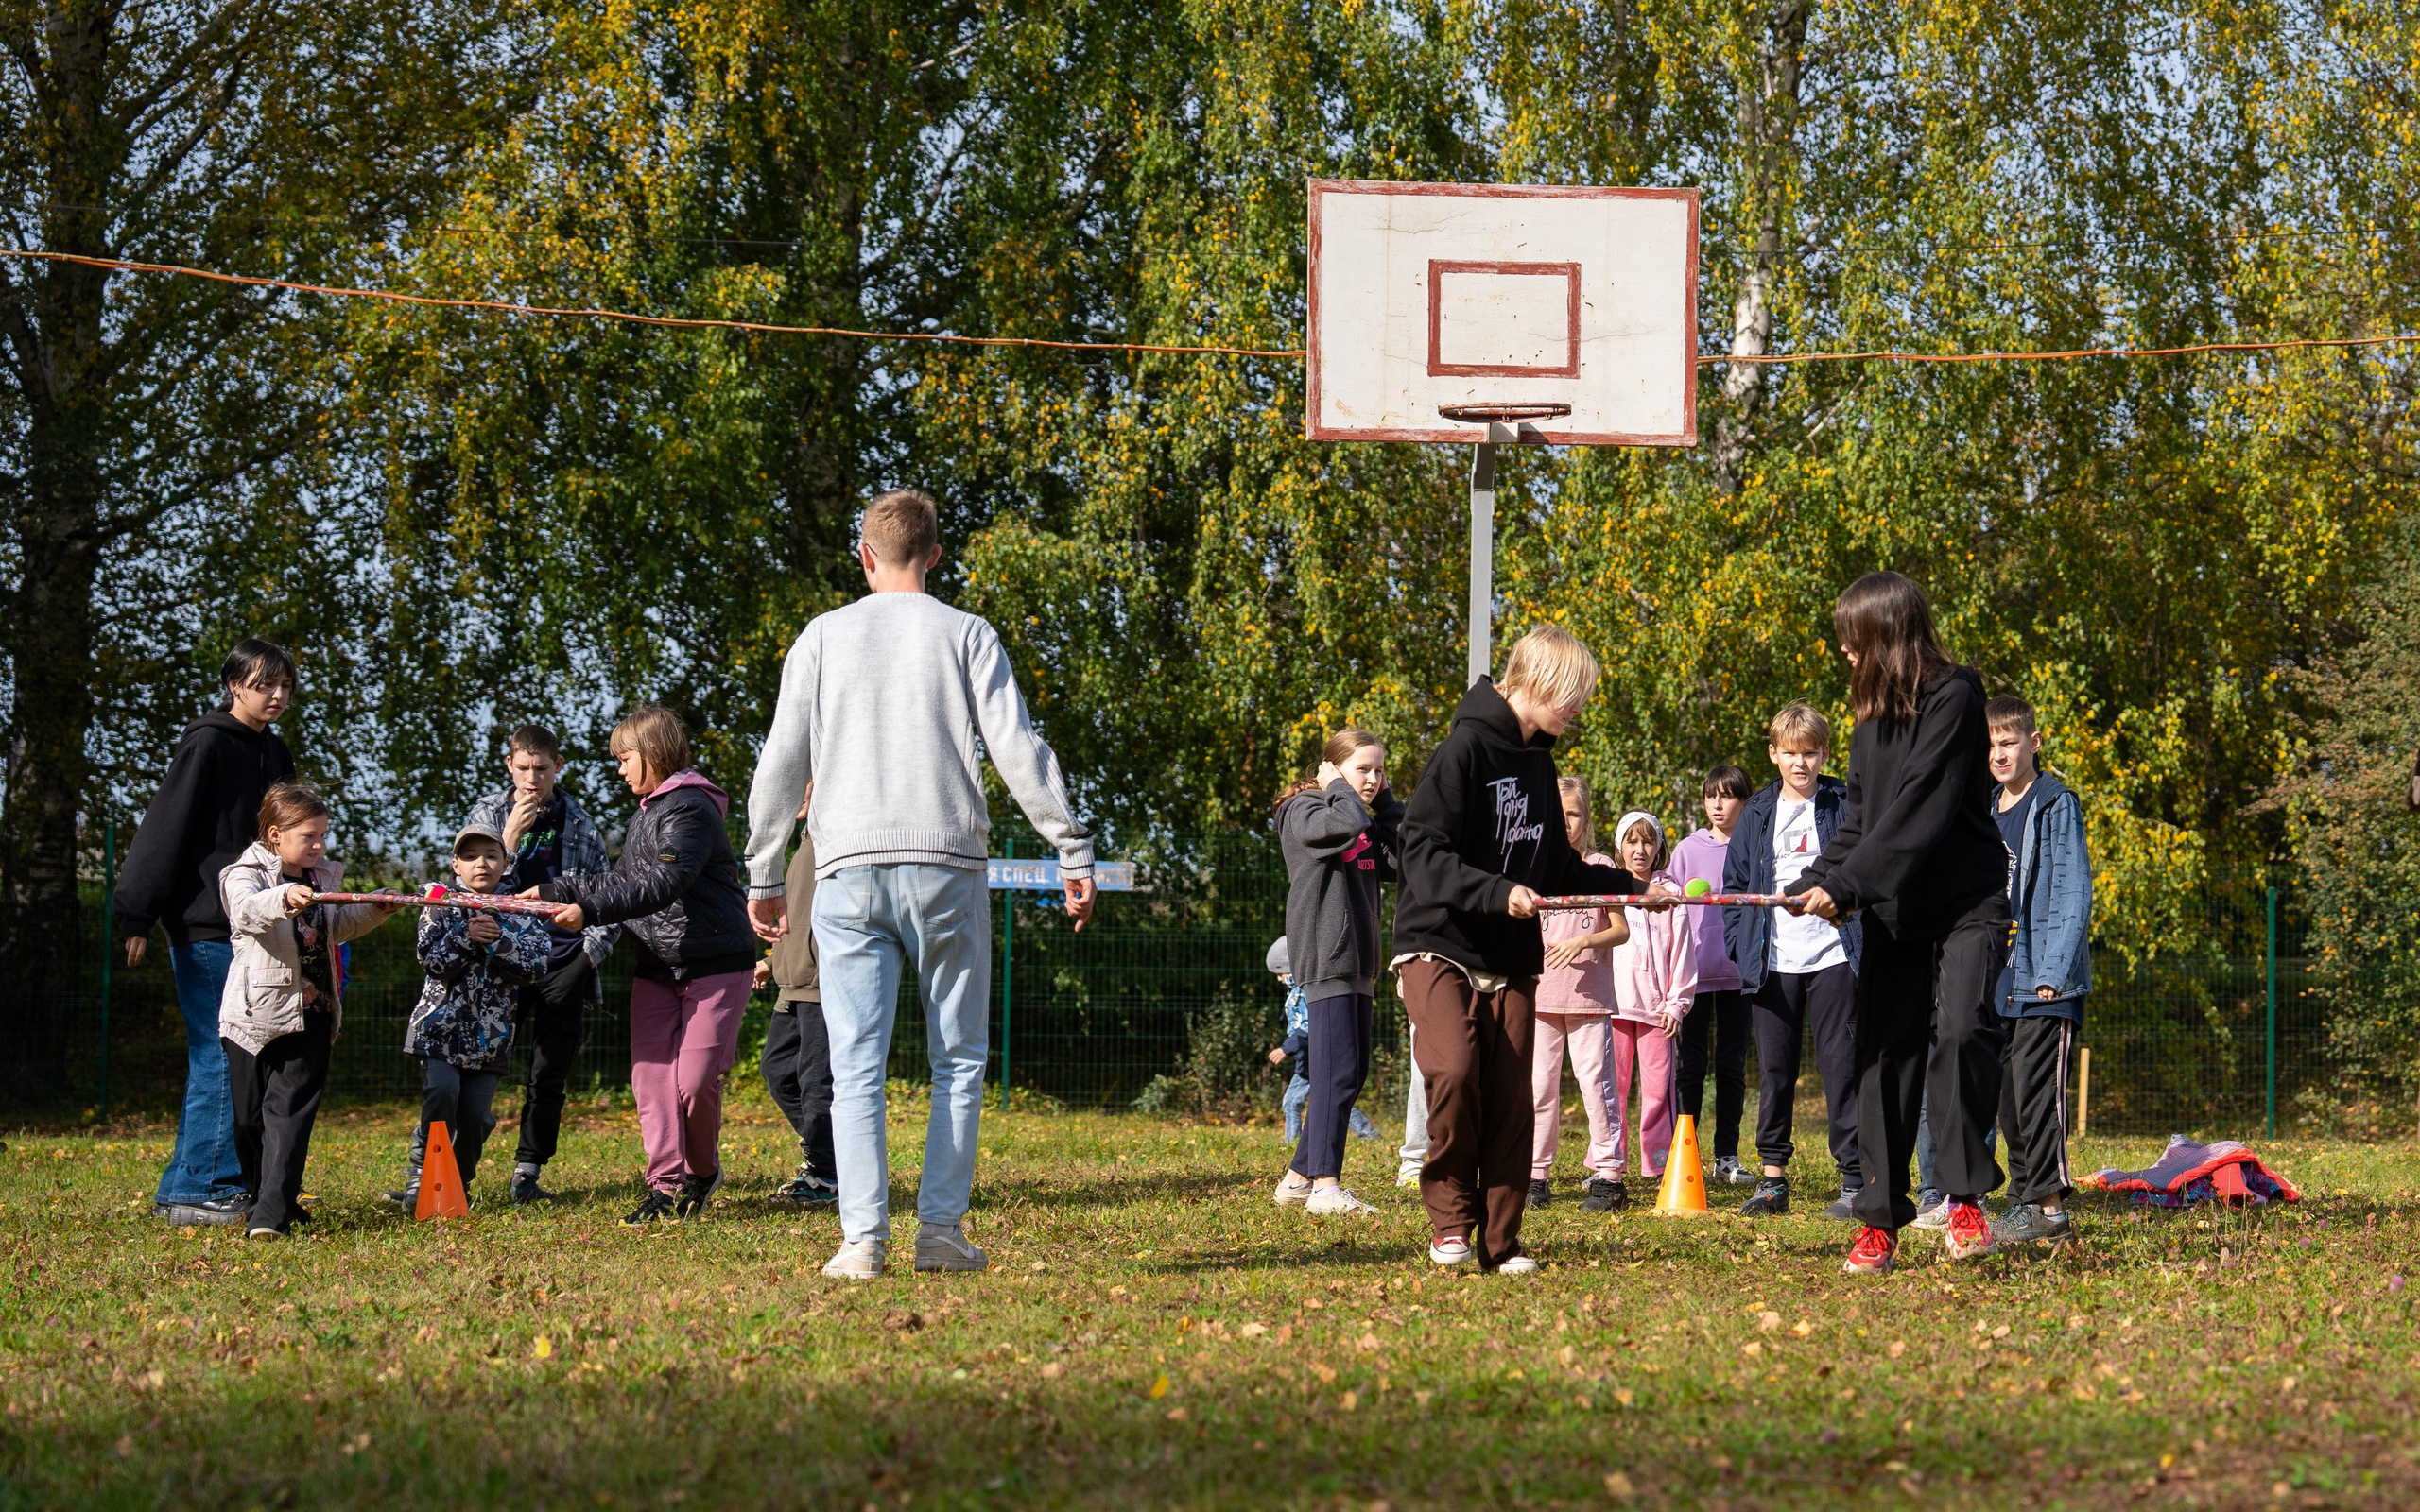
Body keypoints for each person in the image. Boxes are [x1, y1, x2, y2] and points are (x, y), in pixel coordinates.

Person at [742, 489, 1096, 1280]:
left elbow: (781, 761)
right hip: (945, 863)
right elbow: (1019, 750)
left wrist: (765, 872)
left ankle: (862, 1242)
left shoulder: (823, 637)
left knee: (858, 1063)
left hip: (846, 870)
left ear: (865, 556)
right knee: (959, 1060)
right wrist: (1070, 849)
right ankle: (938, 1233)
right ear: (936, 555)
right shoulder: (968, 633)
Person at [1392, 626, 1657, 1274]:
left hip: (1510, 955)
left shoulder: (1540, 766)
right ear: (1536, 682)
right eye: (1573, 696)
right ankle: (1451, 1222)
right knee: (1455, 1071)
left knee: (1512, 1096)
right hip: (1440, 945)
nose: (1578, 710)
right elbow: (1421, 855)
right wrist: (1497, 891)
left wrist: (1632, 888)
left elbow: (1558, 870)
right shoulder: (1462, 752)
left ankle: (1501, 1242)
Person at [1789, 572, 2013, 1276]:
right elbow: (1860, 823)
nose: (1848, 656)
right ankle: (1879, 1222)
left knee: (1962, 1031)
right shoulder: (1868, 723)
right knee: (1883, 1057)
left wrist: (1848, 885)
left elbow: (1924, 804)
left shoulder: (1957, 694)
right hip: (1895, 910)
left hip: (1965, 903)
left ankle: (1965, 1197)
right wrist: (1818, 881)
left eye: (1855, 643)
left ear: (1888, 634)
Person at [527, 706, 757, 1227]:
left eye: (625, 757)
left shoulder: (691, 808)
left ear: (653, 753)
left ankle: (702, 1172)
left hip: (715, 962)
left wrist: (589, 912)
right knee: (652, 1081)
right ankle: (666, 1186)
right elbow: (621, 881)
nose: (620, 769)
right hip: (656, 965)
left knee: (695, 1082)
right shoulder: (647, 813)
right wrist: (553, 891)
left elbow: (663, 884)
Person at [113, 639, 300, 1227]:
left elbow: (285, 836)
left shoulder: (274, 752)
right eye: (263, 684)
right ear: (234, 687)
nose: (275, 695)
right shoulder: (209, 743)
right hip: (205, 926)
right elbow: (167, 824)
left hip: (258, 919)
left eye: (284, 686)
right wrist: (137, 913)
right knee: (222, 1053)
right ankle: (201, 1188)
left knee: (240, 1055)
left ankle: (189, 1184)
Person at [217, 783, 399, 1237]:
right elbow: (246, 912)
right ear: (276, 835)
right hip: (253, 1017)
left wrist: (377, 908)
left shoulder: (321, 878)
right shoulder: (243, 873)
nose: (319, 846)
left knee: (289, 1113)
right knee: (249, 1120)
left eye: (322, 836)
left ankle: (271, 1216)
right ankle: (265, 1200)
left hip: (313, 1011)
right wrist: (284, 898)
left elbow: (335, 927)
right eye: (309, 837)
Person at [456, 725, 619, 1204]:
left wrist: (589, 954)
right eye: (523, 768)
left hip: (565, 959)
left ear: (558, 768)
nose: (532, 779)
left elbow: (606, 898)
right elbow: (464, 890)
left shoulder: (581, 824)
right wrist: (508, 837)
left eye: (542, 769)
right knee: (476, 1065)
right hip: (500, 963)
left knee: (549, 1072)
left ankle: (528, 1173)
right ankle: (445, 1173)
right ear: (509, 765)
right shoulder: (487, 814)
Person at [1723, 704, 1864, 1221]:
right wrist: (1741, 946)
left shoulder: (1845, 804)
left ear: (1824, 753)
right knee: (1776, 1073)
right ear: (1773, 754)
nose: (1800, 762)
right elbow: (1735, 887)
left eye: (1810, 753)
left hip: (1835, 957)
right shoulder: (1757, 812)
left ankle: (1853, 1180)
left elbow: (1864, 870)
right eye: (1790, 753)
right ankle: (1772, 1180)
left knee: (1841, 1070)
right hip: (1772, 962)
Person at [1270, 729, 1403, 1216]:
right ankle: (1326, 1186)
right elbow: (1345, 823)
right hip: (1328, 955)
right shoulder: (1304, 811)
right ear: (1332, 768)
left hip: (1359, 962)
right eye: (1363, 769)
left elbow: (1406, 854)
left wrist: (1385, 801)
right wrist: (1338, 789)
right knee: (1335, 1073)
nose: (1373, 779)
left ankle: (1298, 1177)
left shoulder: (1355, 812)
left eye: (1380, 771)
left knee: (1350, 1071)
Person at [389, 823, 554, 1209]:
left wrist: (498, 939)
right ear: (455, 865)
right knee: (442, 1095)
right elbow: (431, 961)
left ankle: (456, 1184)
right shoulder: (439, 907)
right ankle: (421, 1177)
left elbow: (534, 967)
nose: (481, 863)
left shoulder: (521, 912)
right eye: (470, 856)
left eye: (491, 855)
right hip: (439, 1032)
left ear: (506, 863)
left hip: (491, 1039)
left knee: (477, 1117)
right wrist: (466, 935)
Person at [1983, 696, 2092, 1246]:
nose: (1999, 754)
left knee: (2036, 1092)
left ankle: (2049, 1209)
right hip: (1999, 976)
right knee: (2007, 1097)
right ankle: (2025, 1203)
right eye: (1992, 744)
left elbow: (2072, 891)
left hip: (2045, 979)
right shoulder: (1986, 806)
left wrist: (2053, 967)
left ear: (2033, 742)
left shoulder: (2055, 803)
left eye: (2009, 742)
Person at [1526, 777, 1630, 1211]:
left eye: (1573, 814)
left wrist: (1583, 943)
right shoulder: (1531, 866)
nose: (1565, 822)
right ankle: (1535, 1176)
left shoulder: (1601, 867)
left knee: (1595, 1084)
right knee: (1538, 1089)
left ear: (1585, 820)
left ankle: (1608, 1175)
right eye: (1558, 813)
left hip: (1588, 999)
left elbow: (1620, 930)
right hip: (1539, 997)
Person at [1670, 765, 1754, 1185]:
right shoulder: (1686, 849)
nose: (1717, 805)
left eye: (1727, 796)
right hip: (1694, 976)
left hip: (1740, 974)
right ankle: (1684, 1157)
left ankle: (1726, 1157)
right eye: (1710, 796)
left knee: (1731, 1066)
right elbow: (1665, 898)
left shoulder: (1756, 846)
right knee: (1690, 1065)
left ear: (1744, 801)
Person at [1606, 811, 1695, 1196]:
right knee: (1612, 1088)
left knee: (1658, 1091)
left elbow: (1683, 955)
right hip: (1613, 1008)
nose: (1639, 849)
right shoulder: (1608, 888)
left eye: (1647, 841)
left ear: (1659, 847)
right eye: (1631, 841)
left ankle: (1658, 1166)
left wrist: (1677, 1004)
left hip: (1658, 1012)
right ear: (1619, 846)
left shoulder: (1672, 895)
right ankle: (1608, 1165)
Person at [756, 787, 837, 1208]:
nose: (795, 791)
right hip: (793, 980)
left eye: (805, 783)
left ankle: (826, 1175)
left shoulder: (832, 840)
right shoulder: (803, 843)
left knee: (815, 1081)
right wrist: (772, 960)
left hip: (822, 982)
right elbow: (800, 917)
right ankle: (833, 1157)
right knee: (777, 1070)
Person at [1269, 938, 1381, 1146]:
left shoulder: (1303, 993)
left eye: (1280, 974)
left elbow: (1309, 1027)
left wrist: (1286, 1049)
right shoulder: (1294, 994)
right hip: (1307, 1064)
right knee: (1299, 1101)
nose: (1278, 980)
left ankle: (1292, 1143)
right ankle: (1293, 1142)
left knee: (1323, 1100)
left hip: (1315, 1061)